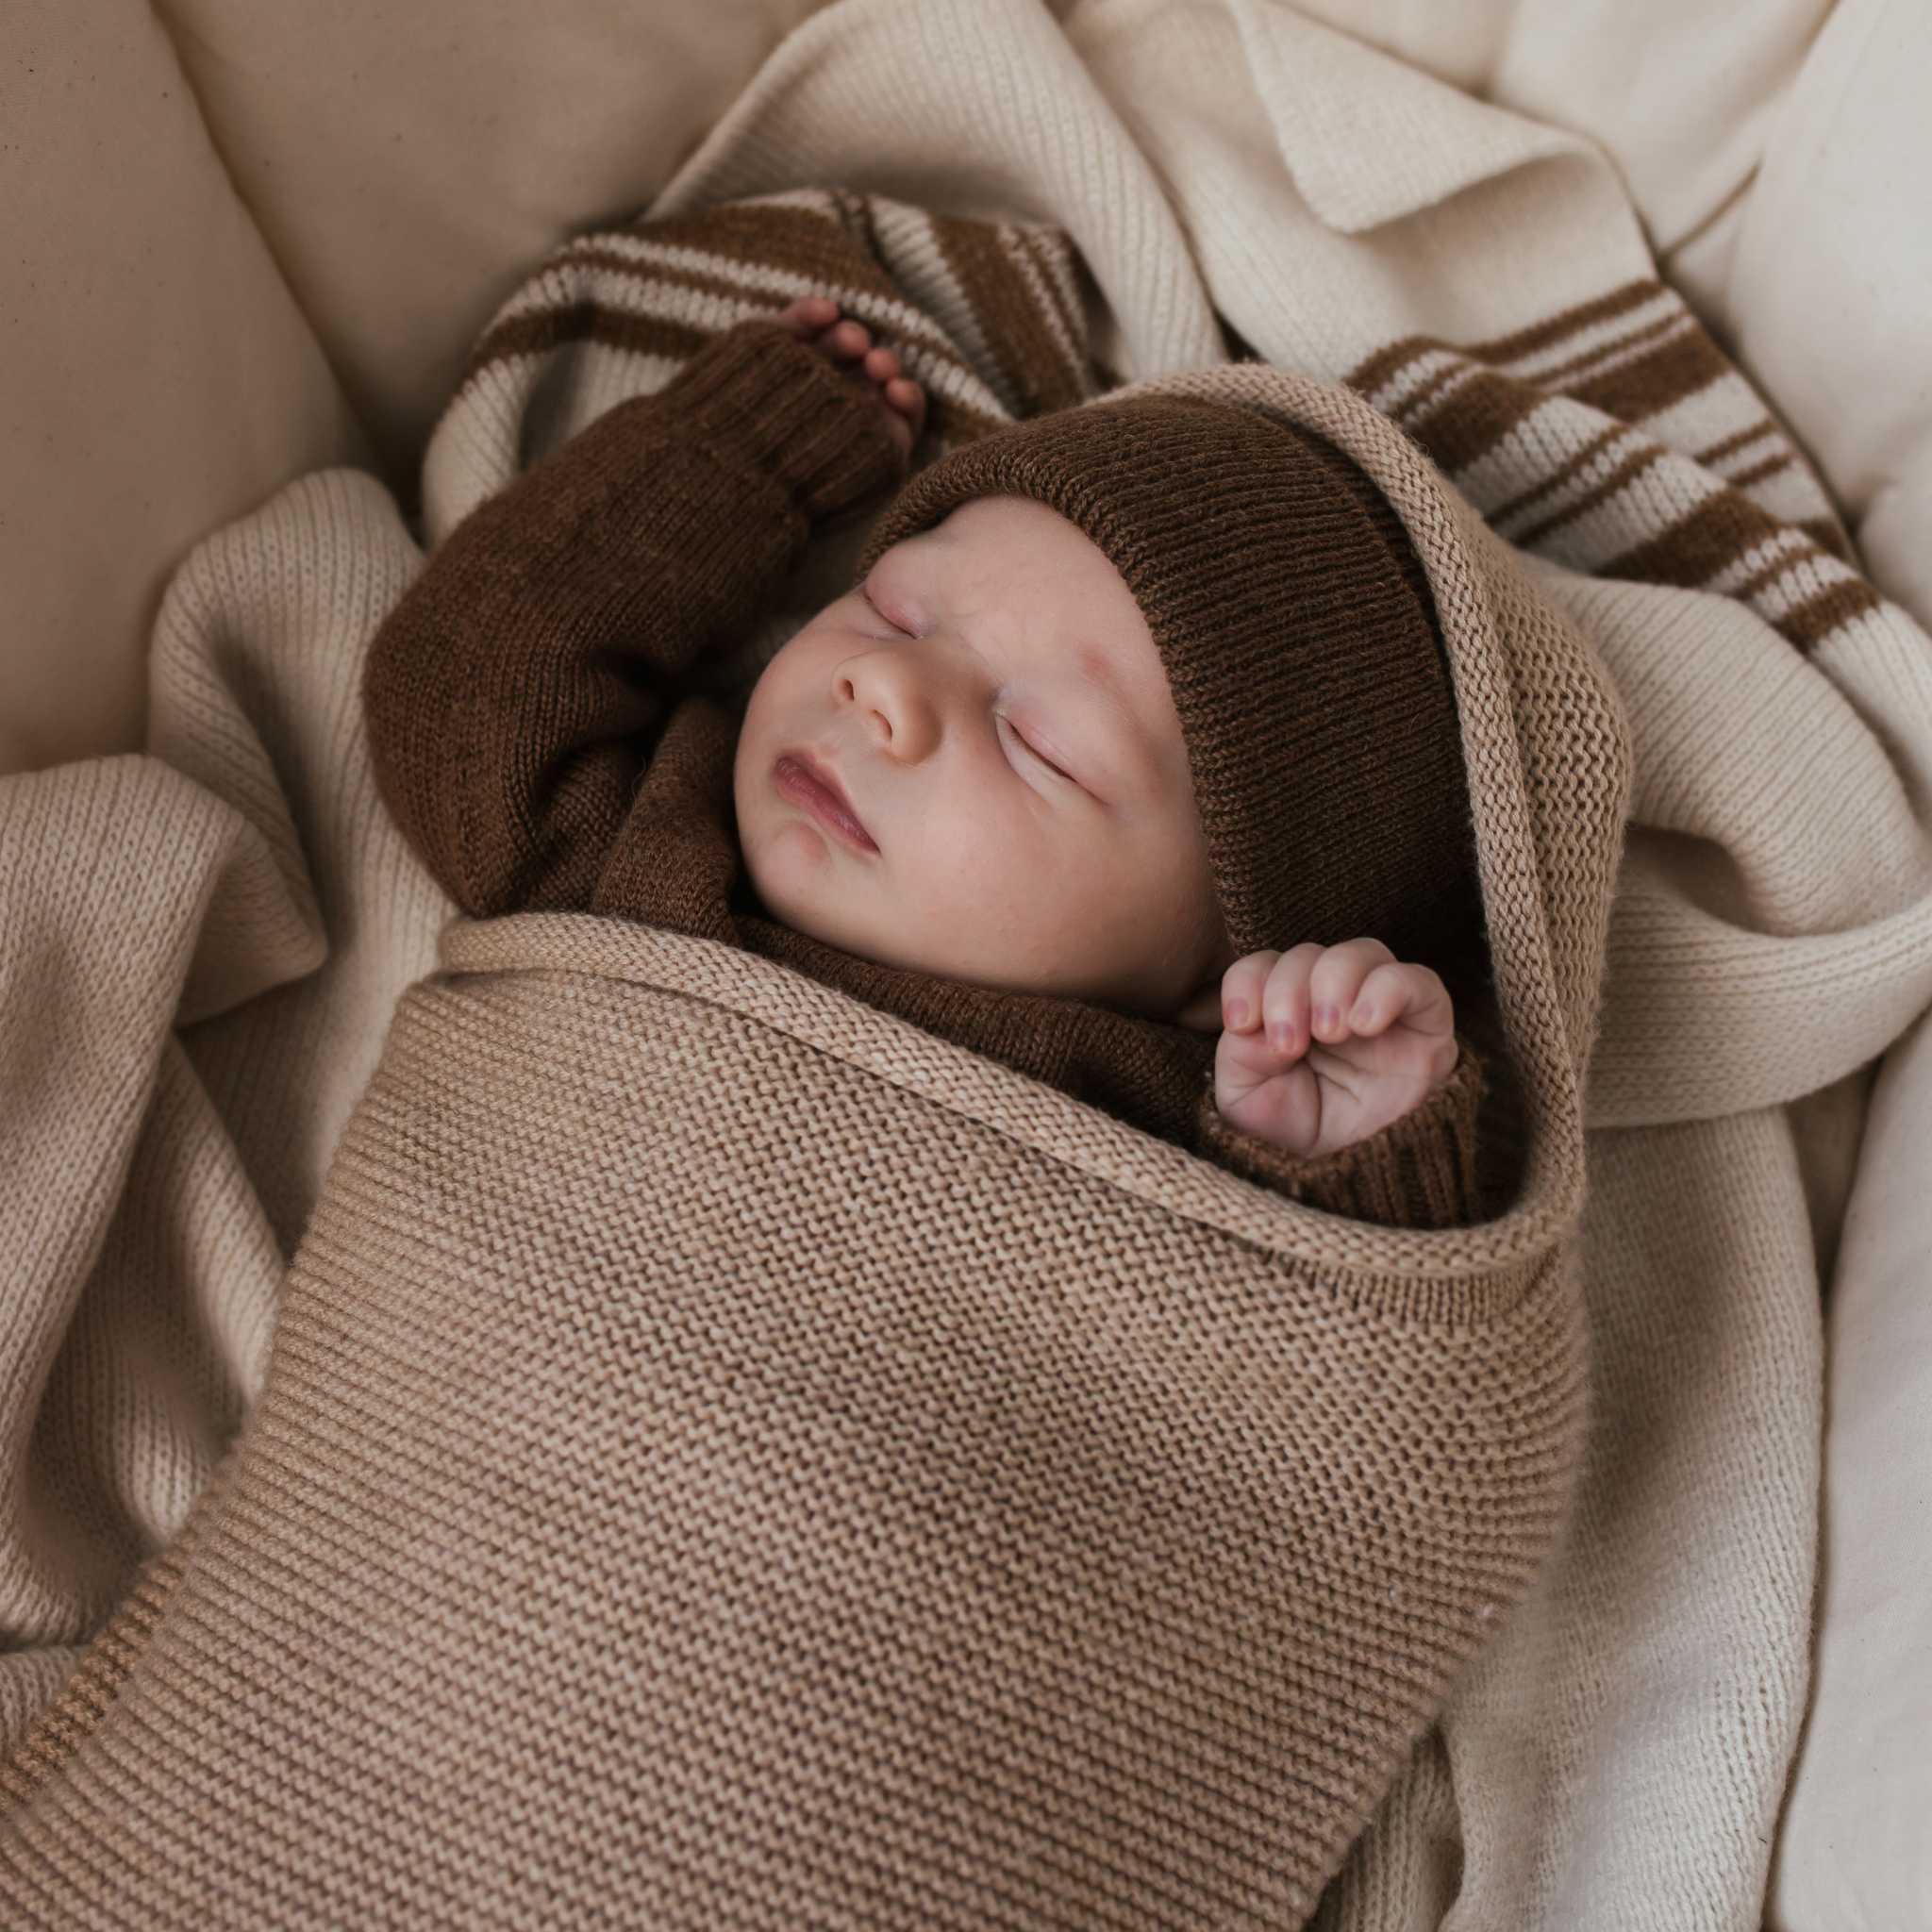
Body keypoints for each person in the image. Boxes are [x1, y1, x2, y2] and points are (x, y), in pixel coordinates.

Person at [363, 296, 1491, 1227]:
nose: (887, 690)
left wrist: (1353, 1153)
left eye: (1037, 743)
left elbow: (1326, 1392)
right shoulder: (646, 848)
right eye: (894, 613)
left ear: (1212, 978)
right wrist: (746, 457)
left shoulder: (1183, 1129)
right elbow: (464, 695)